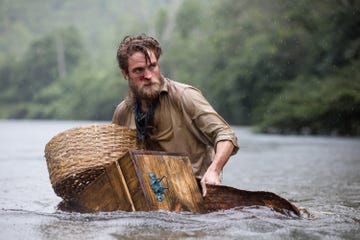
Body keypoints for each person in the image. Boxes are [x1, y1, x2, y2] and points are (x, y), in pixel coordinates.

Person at [112, 34, 239, 196]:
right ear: (125, 74)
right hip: (149, 196)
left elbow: (226, 134)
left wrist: (214, 170)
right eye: (138, 71)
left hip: (194, 192)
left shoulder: (185, 96)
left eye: (152, 66)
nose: (148, 76)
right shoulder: (122, 112)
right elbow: (114, 161)